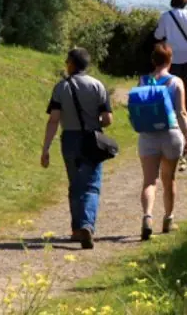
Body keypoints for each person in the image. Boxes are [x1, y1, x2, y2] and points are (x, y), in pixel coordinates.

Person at [41, 48, 111, 249]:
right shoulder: (98, 86)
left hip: (70, 139)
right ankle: (87, 226)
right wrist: (94, 121)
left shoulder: (61, 88)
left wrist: (45, 149)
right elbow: (107, 119)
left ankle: (76, 229)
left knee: (75, 184)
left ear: (71, 64)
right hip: (92, 139)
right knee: (91, 185)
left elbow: (53, 120)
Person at [133, 44, 187, 241]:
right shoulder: (176, 82)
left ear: (153, 60)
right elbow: (181, 113)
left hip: (148, 135)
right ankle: (168, 219)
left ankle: (147, 216)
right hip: (171, 134)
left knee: (149, 181)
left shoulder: (142, 80)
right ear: (170, 60)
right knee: (169, 179)